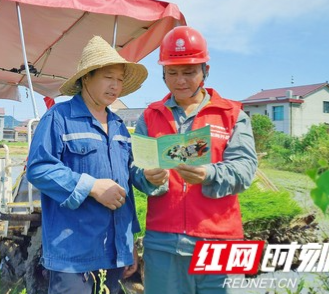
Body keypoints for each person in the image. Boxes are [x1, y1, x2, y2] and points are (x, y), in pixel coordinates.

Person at [26, 36, 165, 294]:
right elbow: (38, 168)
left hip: (115, 253)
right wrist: (91, 186)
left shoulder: (119, 127)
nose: (115, 86)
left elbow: (129, 182)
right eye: (108, 77)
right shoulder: (59, 117)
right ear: (86, 77)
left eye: (120, 80)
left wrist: (150, 178)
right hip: (73, 254)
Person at [134, 26, 258, 294]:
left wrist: (209, 174)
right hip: (163, 242)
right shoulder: (149, 117)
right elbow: (135, 167)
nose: (181, 81)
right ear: (163, 74)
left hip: (219, 240)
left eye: (189, 72)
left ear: (205, 71)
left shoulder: (232, 115)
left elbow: (245, 169)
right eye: (172, 73)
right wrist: (147, 177)